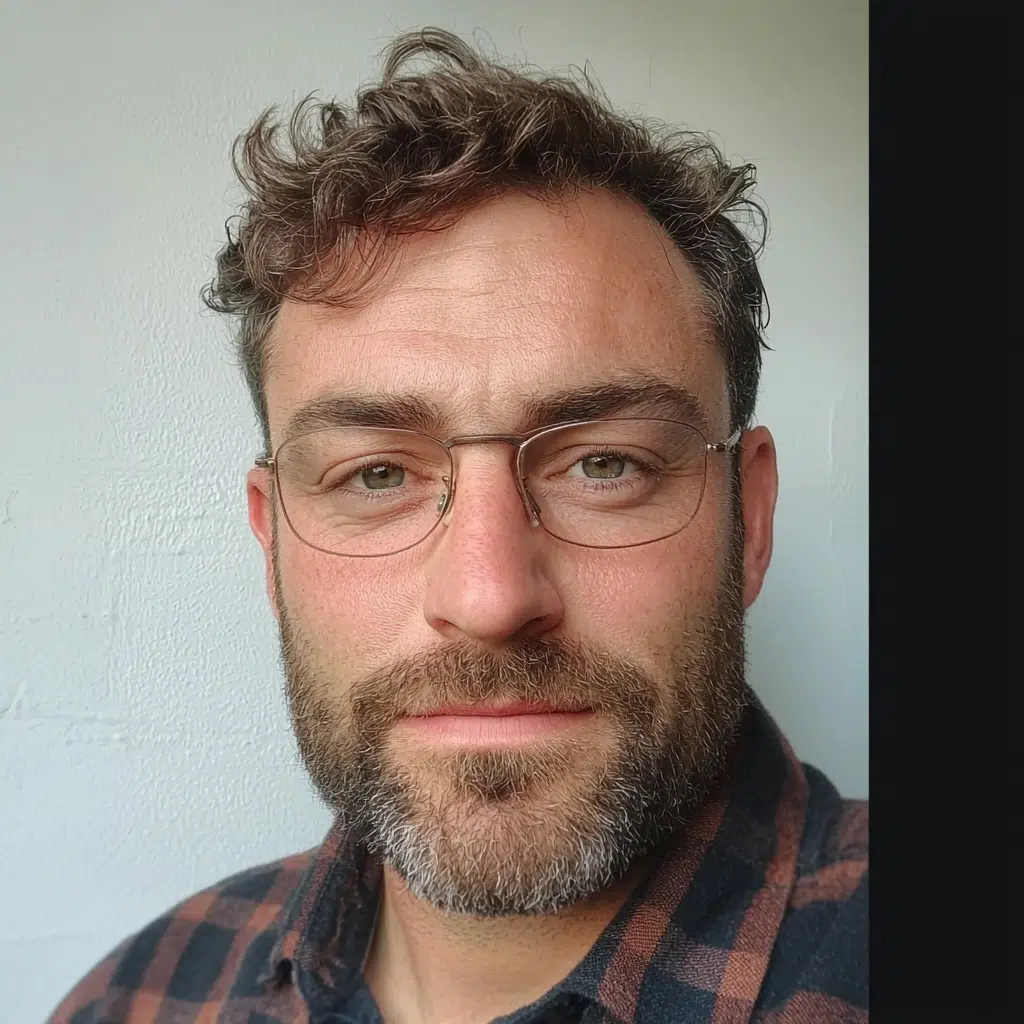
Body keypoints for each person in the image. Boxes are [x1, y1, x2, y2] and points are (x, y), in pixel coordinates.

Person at [49, 26, 867, 1024]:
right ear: (273, 544)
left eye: (603, 464)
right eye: (377, 473)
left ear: (751, 518)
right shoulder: (139, 997)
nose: (489, 598)